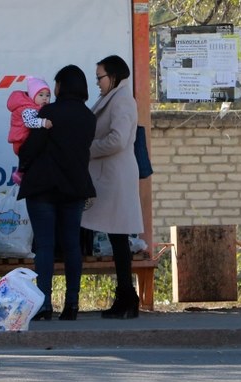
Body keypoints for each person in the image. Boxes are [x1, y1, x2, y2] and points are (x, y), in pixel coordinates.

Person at [18, 64, 96, 321]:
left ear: (61, 86)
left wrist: (23, 165)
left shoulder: (48, 112)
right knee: (72, 245)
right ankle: (72, 304)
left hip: (43, 188)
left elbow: (31, 148)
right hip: (74, 188)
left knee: (45, 246)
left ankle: (44, 305)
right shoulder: (88, 117)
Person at [81, 55, 144, 319]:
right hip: (109, 175)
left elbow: (118, 139)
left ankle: (126, 297)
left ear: (114, 76)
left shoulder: (122, 100)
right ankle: (126, 296)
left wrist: (87, 150)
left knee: (118, 239)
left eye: (100, 77)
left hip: (115, 176)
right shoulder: (113, 98)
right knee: (116, 239)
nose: (97, 82)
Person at [7, 76, 54, 184]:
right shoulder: (28, 109)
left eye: (48, 95)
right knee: (28, 157)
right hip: (20, 140)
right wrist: (43, 122)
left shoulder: (35, 107)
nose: (45, 98)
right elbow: (29, 122)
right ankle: (19, 173)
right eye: (41, 95)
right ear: (32, 96)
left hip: (23, 138)